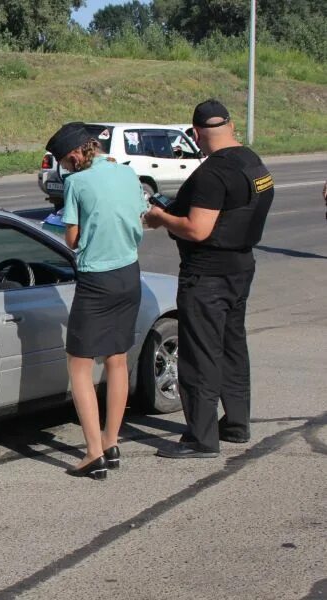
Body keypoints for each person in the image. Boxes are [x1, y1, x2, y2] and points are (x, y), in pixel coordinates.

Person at [144, 99, 274, 458]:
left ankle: (202, 439)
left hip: (208, 274)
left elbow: (198, 229)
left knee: (201, 354)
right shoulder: (252, 161)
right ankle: (236, 423)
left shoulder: (211, 174)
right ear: (231, 126)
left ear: (197, 134)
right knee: (233, 347)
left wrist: (161, 218)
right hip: (241, 266)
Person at [46, 122, 147, 479]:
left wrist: (64, 224)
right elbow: (140, 218)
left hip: (97, 280)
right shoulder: (126, 173)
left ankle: (92, 454)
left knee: (79, 364)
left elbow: (71, 239)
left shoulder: (76, 183)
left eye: (64, 161)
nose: (65, 168)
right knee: (117, 358)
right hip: (129, 273)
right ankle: (111, 441)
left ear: (74, 154)